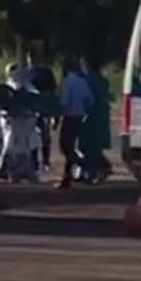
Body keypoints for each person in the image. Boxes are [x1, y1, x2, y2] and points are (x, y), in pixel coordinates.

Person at [54, 57, 94, 189]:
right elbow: (90, 100)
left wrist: (56, 118)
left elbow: (64, 102)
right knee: (71, 146)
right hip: (79, 116)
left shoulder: (67, 82)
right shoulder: (82, 81)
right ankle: (70, 175)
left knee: (65, 147)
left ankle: (83, 165)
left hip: (69, 116)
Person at [78, 56, 113, 183]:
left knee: (87, 145)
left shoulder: (87, 80)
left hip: (91, 115)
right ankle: (95, 169)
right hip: (101, 115)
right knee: (93, 145)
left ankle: (94, 171)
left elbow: (86, 99)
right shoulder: (102, 80)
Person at [26, 53, 56, 171]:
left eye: (33, 58)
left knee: (44, 136)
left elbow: (52, 91)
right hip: (31, 109)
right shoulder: (26, 74)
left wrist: (53, 111)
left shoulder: (46, 73)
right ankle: (33, 161)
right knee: (31, 136)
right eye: (29, 58)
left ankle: (45, 160)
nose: (31, 61)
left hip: (43, 108)